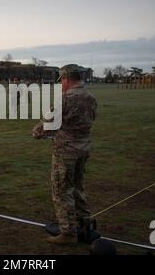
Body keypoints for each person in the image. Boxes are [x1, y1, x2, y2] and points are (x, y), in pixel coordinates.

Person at [32, 64, 97, 245]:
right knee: (77, 187)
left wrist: (36, 132)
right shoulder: (90, 97)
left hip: (65, 152)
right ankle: (85, 224)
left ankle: (68, 233)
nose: (61, 84)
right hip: (83, 149)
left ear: (67, 79)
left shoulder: (66, 99)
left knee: (61, 191)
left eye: (62, 81)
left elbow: (47, 124)